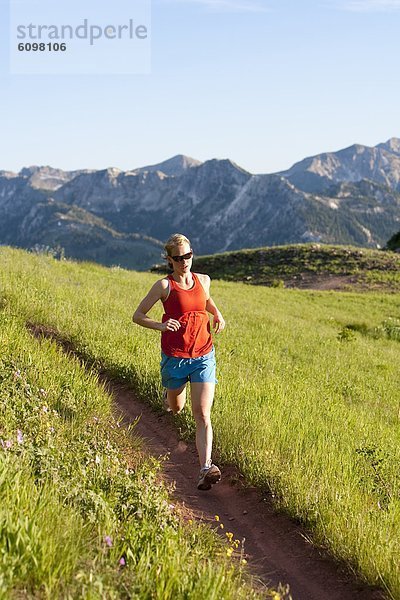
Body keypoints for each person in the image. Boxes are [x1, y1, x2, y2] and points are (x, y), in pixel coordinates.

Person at [132, 233, 226, 490]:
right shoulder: (164, 287)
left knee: (203, 414)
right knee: (176, 408)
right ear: (170, 260)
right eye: (179, 258)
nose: (185, 261)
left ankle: (205, 468)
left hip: (203, 355)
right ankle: (169, 396)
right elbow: (138, 315)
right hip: (175, 357)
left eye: (188, 256)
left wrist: (216, 313)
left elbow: (204, 299)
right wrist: (161, 325)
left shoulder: (204, 280)